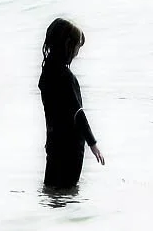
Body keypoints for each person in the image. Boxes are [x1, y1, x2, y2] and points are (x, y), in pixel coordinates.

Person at [39, 17, 104, 190]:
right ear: (68, 46)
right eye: (77, 47)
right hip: (71, 147)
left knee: (51, 188)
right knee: (67, 191)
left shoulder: (46, 74)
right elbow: (78, 113)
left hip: (53, 142)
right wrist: (93, 143)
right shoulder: (66, 78)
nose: (77, 53)